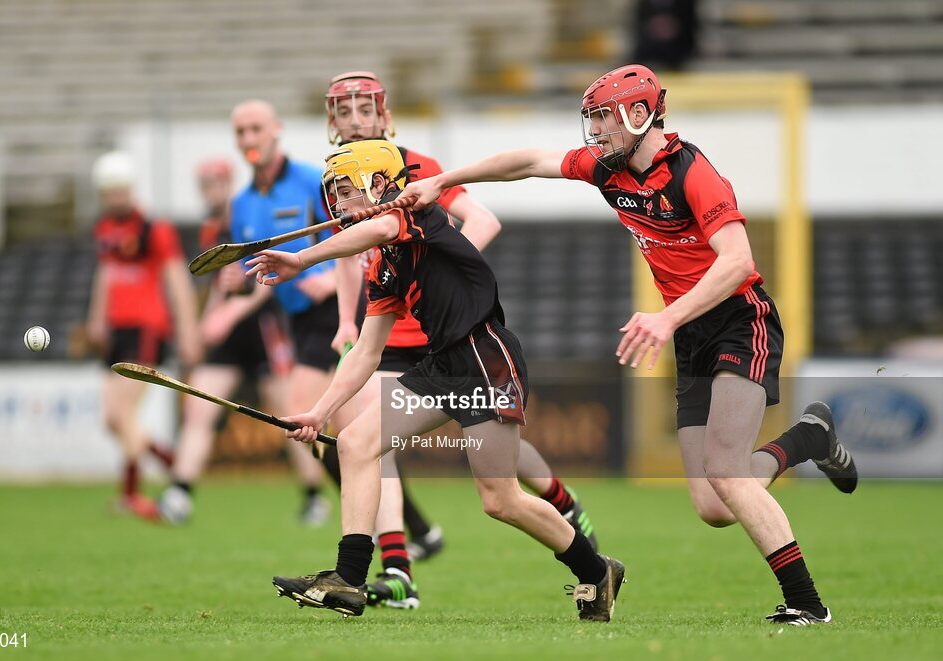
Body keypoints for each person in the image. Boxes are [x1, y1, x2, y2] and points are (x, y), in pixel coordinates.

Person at [399, 64, 859, 626]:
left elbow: (738, 261)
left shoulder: (693, 173)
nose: (594, 133)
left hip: (742, 321)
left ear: (640, 114)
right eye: (590, 120)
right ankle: (810, 436)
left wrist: (666, 318)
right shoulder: (608, 170)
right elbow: (527, 162)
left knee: (727, 475)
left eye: (604, 119)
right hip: (690, 331)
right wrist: (444, 181)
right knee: (715, 505)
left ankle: (808, 604)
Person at [247, 140, 625, 621]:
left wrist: (302, 260)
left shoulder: (413, 214)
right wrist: (320, 412)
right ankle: (349, 578)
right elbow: (366, 351)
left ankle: (596, 570)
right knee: (355, 443)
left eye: (345, 190)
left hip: (485, 359)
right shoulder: (384, 266)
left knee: (501, 500)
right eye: (333, 194)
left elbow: (381, 226)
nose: (337, 203)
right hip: (443, 365)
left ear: (379, 184)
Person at [324, 71, 601, 607]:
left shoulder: (415, 171)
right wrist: (345, 323)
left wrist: (437, 275)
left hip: (459, 336)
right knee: (361, 442)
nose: (355, 121)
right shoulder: (339, 182)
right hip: (391, 328)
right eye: (344, 112)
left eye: (365, 110)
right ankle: (390, 571)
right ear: (331, 122)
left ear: (385, 117)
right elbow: (350, 252)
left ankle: (564, 506)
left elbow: (479, 221)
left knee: (498, 480)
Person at [229, 99, 358, 524]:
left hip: (338, 308)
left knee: (304, 416)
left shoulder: (311, 180)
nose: (249, 138)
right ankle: (407, 527)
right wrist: (237, 280)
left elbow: (356, 235)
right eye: (241, 131)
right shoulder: (241, 204)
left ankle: (372, 517)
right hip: (298, 320)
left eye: (256, 128)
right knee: (346, 430)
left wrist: (332, 278)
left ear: (276, 130)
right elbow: (254, 270)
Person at [156, 157, 293, 524]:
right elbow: (221, 284)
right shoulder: (211, 231)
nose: (209, 191)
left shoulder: (250, 216)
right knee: (198, 408)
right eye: (203, 185)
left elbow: (267, 278)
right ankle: (179, 492)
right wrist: (204, 325)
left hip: (264, 325)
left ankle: (315, 496)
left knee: (291, 417)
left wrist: (227, 316)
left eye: (215, 183)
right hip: (229, 337)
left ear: (229, 183)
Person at [85, 150, 202, 520]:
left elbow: (176, 279)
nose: (114, 198)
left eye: (119, 190)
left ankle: (132, 493)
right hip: (116, 329)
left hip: (146, 328)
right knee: (112, 418)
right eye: (108, 192)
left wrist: (187, 329)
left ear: (131, 189)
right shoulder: (104, 229)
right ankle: (169, 459)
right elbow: (106, 274)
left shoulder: (155, 230)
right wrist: (97, 318)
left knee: (123, 414)